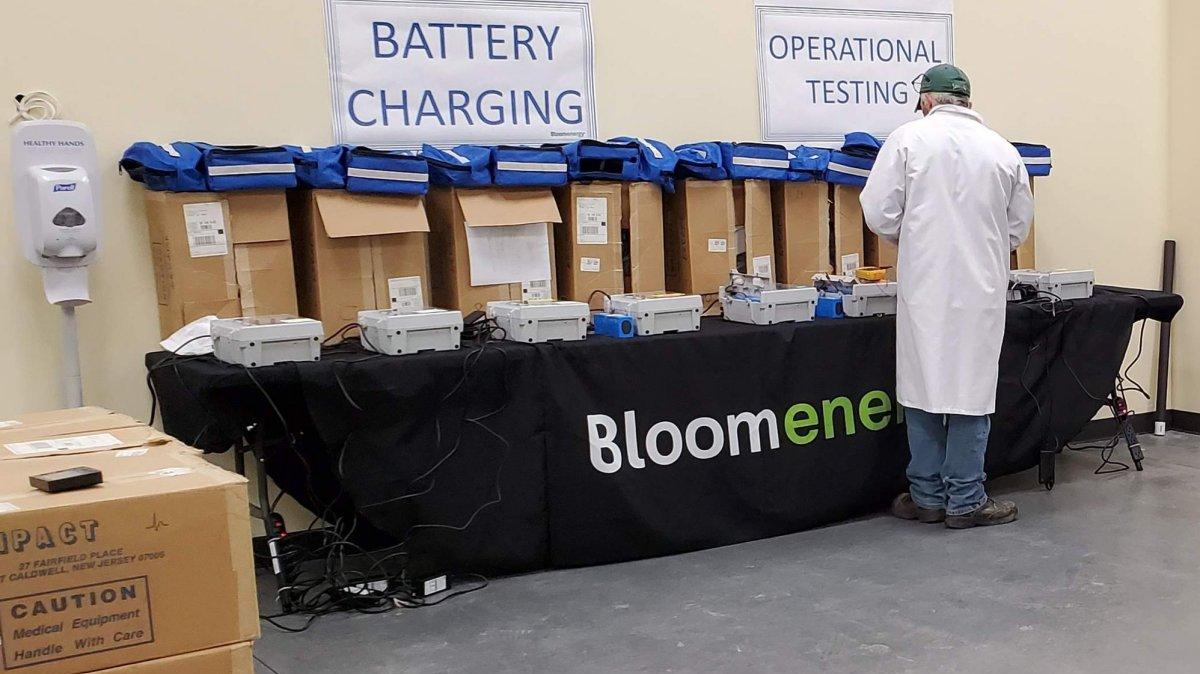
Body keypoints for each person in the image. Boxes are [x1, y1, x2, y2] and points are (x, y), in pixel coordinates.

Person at [860, 64, 1035, 529]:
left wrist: (917, 237)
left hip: (926, 287)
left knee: (922, 389)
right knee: (970, 392)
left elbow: (878, 212)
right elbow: (1017, 227)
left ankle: (928, 497)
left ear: (926, 101)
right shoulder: (1002, 151)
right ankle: (966, 499)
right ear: (969, 103)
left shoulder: (907, 140)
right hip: (981, 290)